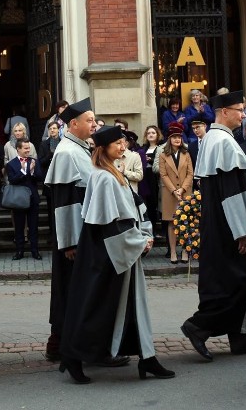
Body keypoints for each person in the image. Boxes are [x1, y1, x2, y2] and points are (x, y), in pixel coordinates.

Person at [59, 126, 174, 383]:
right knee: (96, 306)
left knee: (130, 305)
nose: (123, 148)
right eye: (118, 144)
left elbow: (130, 208)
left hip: (117, 250)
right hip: (107, 254)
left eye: (123, 143)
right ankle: (73, 356)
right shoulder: (104, 177)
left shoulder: (113, 173)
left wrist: (142, 235)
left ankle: (148, 358)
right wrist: (137, 242)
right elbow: (109, 222)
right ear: (104, 148)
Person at [180, 90, 246, 361]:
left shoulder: (214, 138)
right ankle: (198, 327)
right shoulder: (224, 142)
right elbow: (232, 190)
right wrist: (243, 232)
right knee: (234, 279)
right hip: (229, 225)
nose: (244, 114)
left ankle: (237, 336)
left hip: (218, 221)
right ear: (224, 112)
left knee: (228, 277)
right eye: (240, 110)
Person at [45, 98, 127, 365]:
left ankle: (63, 343)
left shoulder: (80, 148)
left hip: (84, 235)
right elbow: (64, 200)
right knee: (75, 290)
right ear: (73, 123)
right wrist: (69, 242)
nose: (94, 124)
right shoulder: (67, 152)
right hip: (75, 239)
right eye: (89, 120)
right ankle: (69, 345)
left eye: (94, 120)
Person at [159, 123, 194, 264]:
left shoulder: (186, 154)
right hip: (169, 193)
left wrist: (183, 189)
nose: (177, 139)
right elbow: (163, 174)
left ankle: (185, 250)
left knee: (185, 222)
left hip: (185, 192)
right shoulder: (163, 155)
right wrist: (174, 190)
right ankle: (173, 252)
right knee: (172, 223)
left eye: (179, 137)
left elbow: (190, 174)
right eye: (174, 137)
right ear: (169, 139)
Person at [5, 138, 44, 260]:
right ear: (18, 149)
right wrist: (22, 170)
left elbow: (40, 178)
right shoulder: (11, 164)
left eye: (29, 148)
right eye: (26, 148)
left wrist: (32, 171)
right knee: (19, 227)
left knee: (33, 226)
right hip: (19, 200)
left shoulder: (34, 161)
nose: (28, 150)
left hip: (33, 198)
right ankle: (19, 251)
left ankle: (35, 251)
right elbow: (12, 180)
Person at [139, 126, 164, 243]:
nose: (151, 135)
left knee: (155, 204)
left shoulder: (161, 148)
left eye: (153, 133)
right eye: (148, 133)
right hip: (145, 179)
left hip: (155, 179)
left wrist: (151, 160)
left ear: (157, 135)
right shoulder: (143, 148)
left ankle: (156, 230)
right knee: (146, 205)